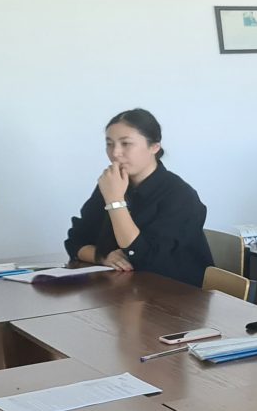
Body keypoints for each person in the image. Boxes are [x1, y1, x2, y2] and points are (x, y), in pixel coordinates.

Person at [64, 108, 212, 288]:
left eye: (126, 143)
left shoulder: (180, 196)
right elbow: (75, 241)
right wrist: (103, 257)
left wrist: (115, 202)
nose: (115, 153)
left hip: (177, 294)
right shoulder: (112, 183)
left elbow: (146, 260)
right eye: (109, 144)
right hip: (124, 290)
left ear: (154, 147)